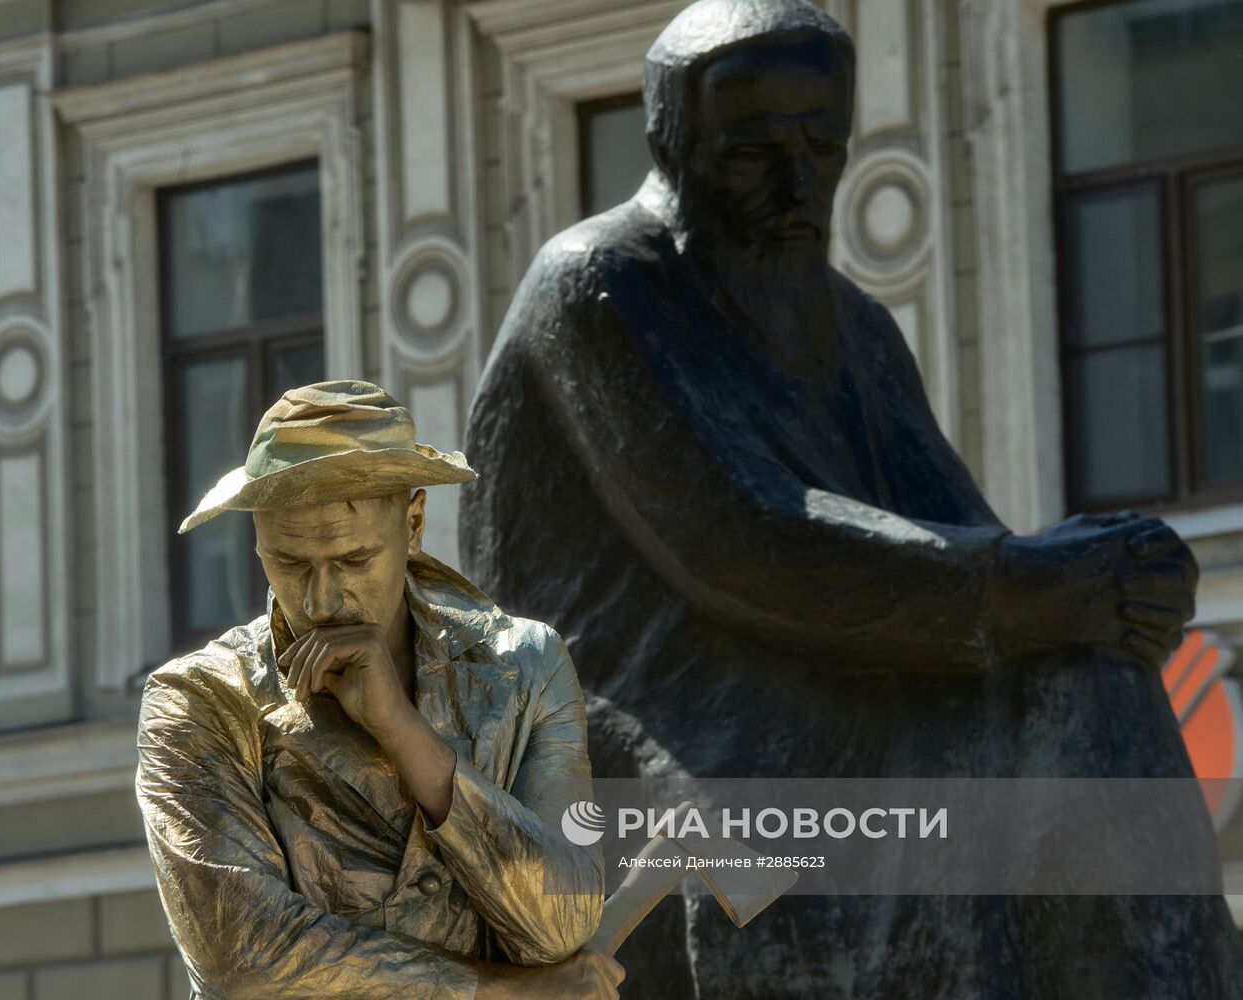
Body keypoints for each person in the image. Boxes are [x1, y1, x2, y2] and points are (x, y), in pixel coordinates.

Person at [460, 0, 1243, 996]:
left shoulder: (857, 328)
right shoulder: (596, 284)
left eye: (820, 145)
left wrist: (1101, 579)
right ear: (672, 144)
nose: (798, 184)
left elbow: (961, 535)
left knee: (1085, 680)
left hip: (813, 673)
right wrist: (1036, 586)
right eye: (755, 152)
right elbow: (740, 546)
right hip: (624, 727)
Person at [136, 380, 623, 1000]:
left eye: (353, 560)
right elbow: (245, 962)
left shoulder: (524, 666)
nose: (321, 601)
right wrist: (505, 993)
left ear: (413, 524)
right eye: (289, 563)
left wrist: (405, 733)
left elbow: (562, 925)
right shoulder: (200, 701)